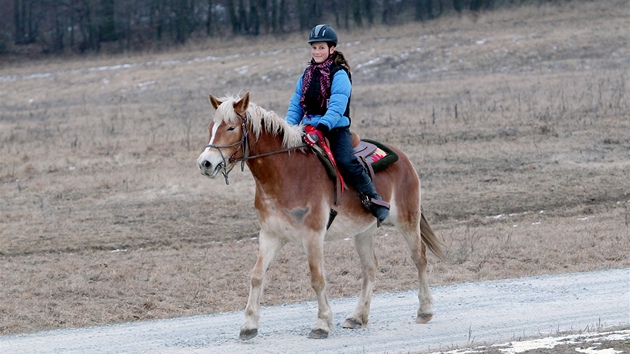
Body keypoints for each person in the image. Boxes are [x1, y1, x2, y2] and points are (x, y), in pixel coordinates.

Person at [285, 24, 390, 225]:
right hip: (307, 129)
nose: (317, 51)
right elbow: (296, 105)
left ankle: (374, 200)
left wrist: (321, 129)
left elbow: (337, 106)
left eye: (321, 47)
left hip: (334, 129)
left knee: (345, 162)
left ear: (332, 49)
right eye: (314, 47)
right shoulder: (306, 75)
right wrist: (287, 130)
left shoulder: (339, 74)